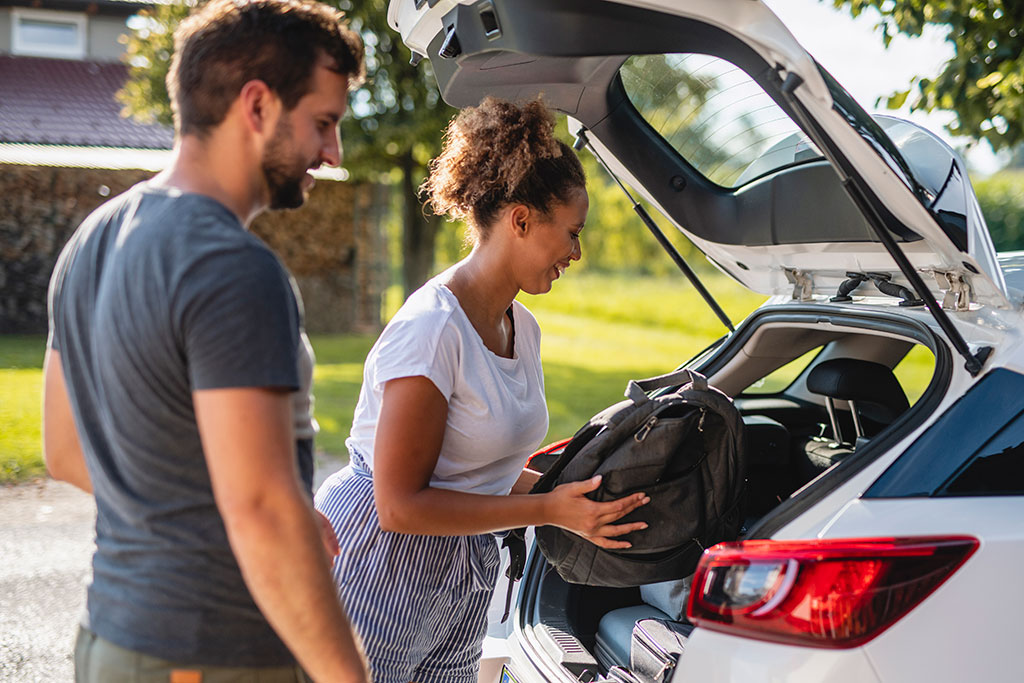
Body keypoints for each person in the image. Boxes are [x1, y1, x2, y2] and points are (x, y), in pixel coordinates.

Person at [42, 0, 370, 680]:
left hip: (111, 641)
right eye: (324, 124)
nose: (333, 154)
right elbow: (262, 512)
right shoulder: (232, 265)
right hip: (212, 653)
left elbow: (66, 451)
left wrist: (211, 509)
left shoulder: (91, 240)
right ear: (257, 106)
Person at [315, 97, 651, 683]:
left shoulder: (522, 329)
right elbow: (399, 506)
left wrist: (581, 494)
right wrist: (549, 509)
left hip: (464, 565)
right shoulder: (433, 330)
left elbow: (481, 472)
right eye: (571, 233)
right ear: (520, 220)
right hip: (377, 556)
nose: (576, 252)